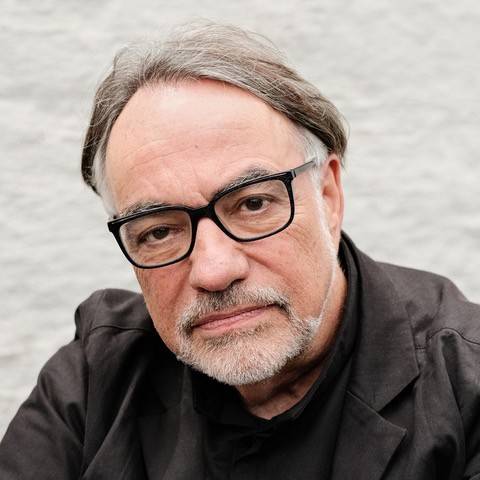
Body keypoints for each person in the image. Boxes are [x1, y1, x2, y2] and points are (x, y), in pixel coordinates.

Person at [1, 22, 480, 480]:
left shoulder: (465, 388)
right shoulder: (97, 379)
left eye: (252, 204)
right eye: (160, 231)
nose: (214, 270)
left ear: (328, 196)